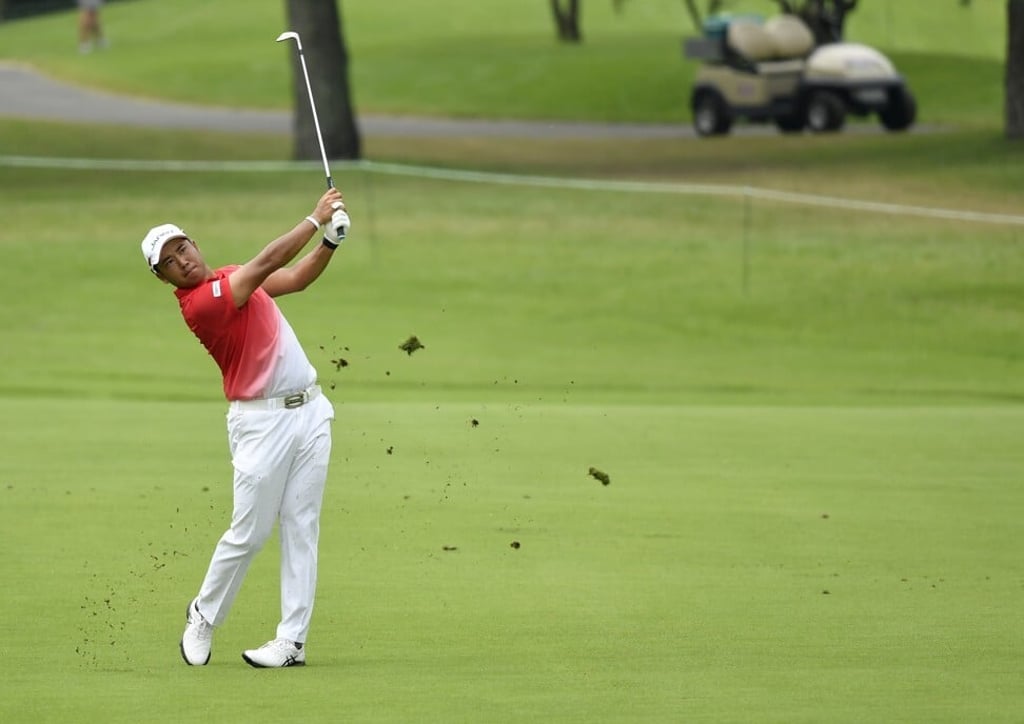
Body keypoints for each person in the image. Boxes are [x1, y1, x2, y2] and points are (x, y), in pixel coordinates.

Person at [140, 187, 350, 668]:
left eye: (182, 248)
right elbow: (272, 259)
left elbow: (294, 278)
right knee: (250, 533)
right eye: (169, 262)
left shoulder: (231, 277)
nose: (182, 261)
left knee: (301, 527)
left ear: (194, 244)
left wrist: (330, 243)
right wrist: (315, 219)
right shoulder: (201, 304)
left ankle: (292, 642)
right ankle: (203, 615)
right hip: (260, 423)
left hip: (311, 411)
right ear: (162, 277)